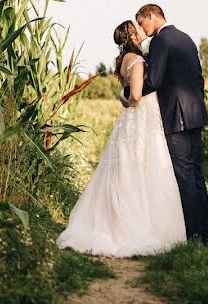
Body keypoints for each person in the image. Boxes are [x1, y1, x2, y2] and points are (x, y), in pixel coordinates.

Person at [56, 20, 186, 256]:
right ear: (133, 36)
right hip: (141, 119)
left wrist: (124, 96)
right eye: (137, 29)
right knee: (143, 169)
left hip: (132, 121)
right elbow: (136, 95)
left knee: (129, 169)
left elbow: (127, 91)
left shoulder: (127, 59)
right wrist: (129, 98)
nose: (141, 30)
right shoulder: (136, 62)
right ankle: (139, 228)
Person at [125, 3, 208, 243]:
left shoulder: (161, 41)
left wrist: (127, 92)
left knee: (183, 174)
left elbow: (154, 79)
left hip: (177, 116)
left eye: (142, 23)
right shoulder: (186, 39)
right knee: (196, 174)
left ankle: (192, 235)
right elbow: (199, 78)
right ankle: (204, 233)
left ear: (151, 15)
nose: (142, 29)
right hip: (195, 113)